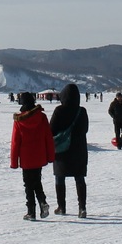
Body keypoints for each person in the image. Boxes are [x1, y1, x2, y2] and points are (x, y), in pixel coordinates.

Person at [10, 92, 54, 221]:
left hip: (26, 157)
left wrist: (14, 162)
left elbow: (15, 142)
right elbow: (48, 138)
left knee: (28, 185)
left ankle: (31, 211)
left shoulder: (19, 120)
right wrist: (50, 156)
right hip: (39, 156)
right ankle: (42, 202)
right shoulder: (41, 117)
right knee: (36, 181)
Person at [49, 83, 89, 218]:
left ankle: (62, 207)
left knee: (60, 178)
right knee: (80, 179)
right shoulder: (82, 111)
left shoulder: (59, 111)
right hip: (79, 150)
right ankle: (82, 208)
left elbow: (51, 130)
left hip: (62, 150)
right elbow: (85, 129)